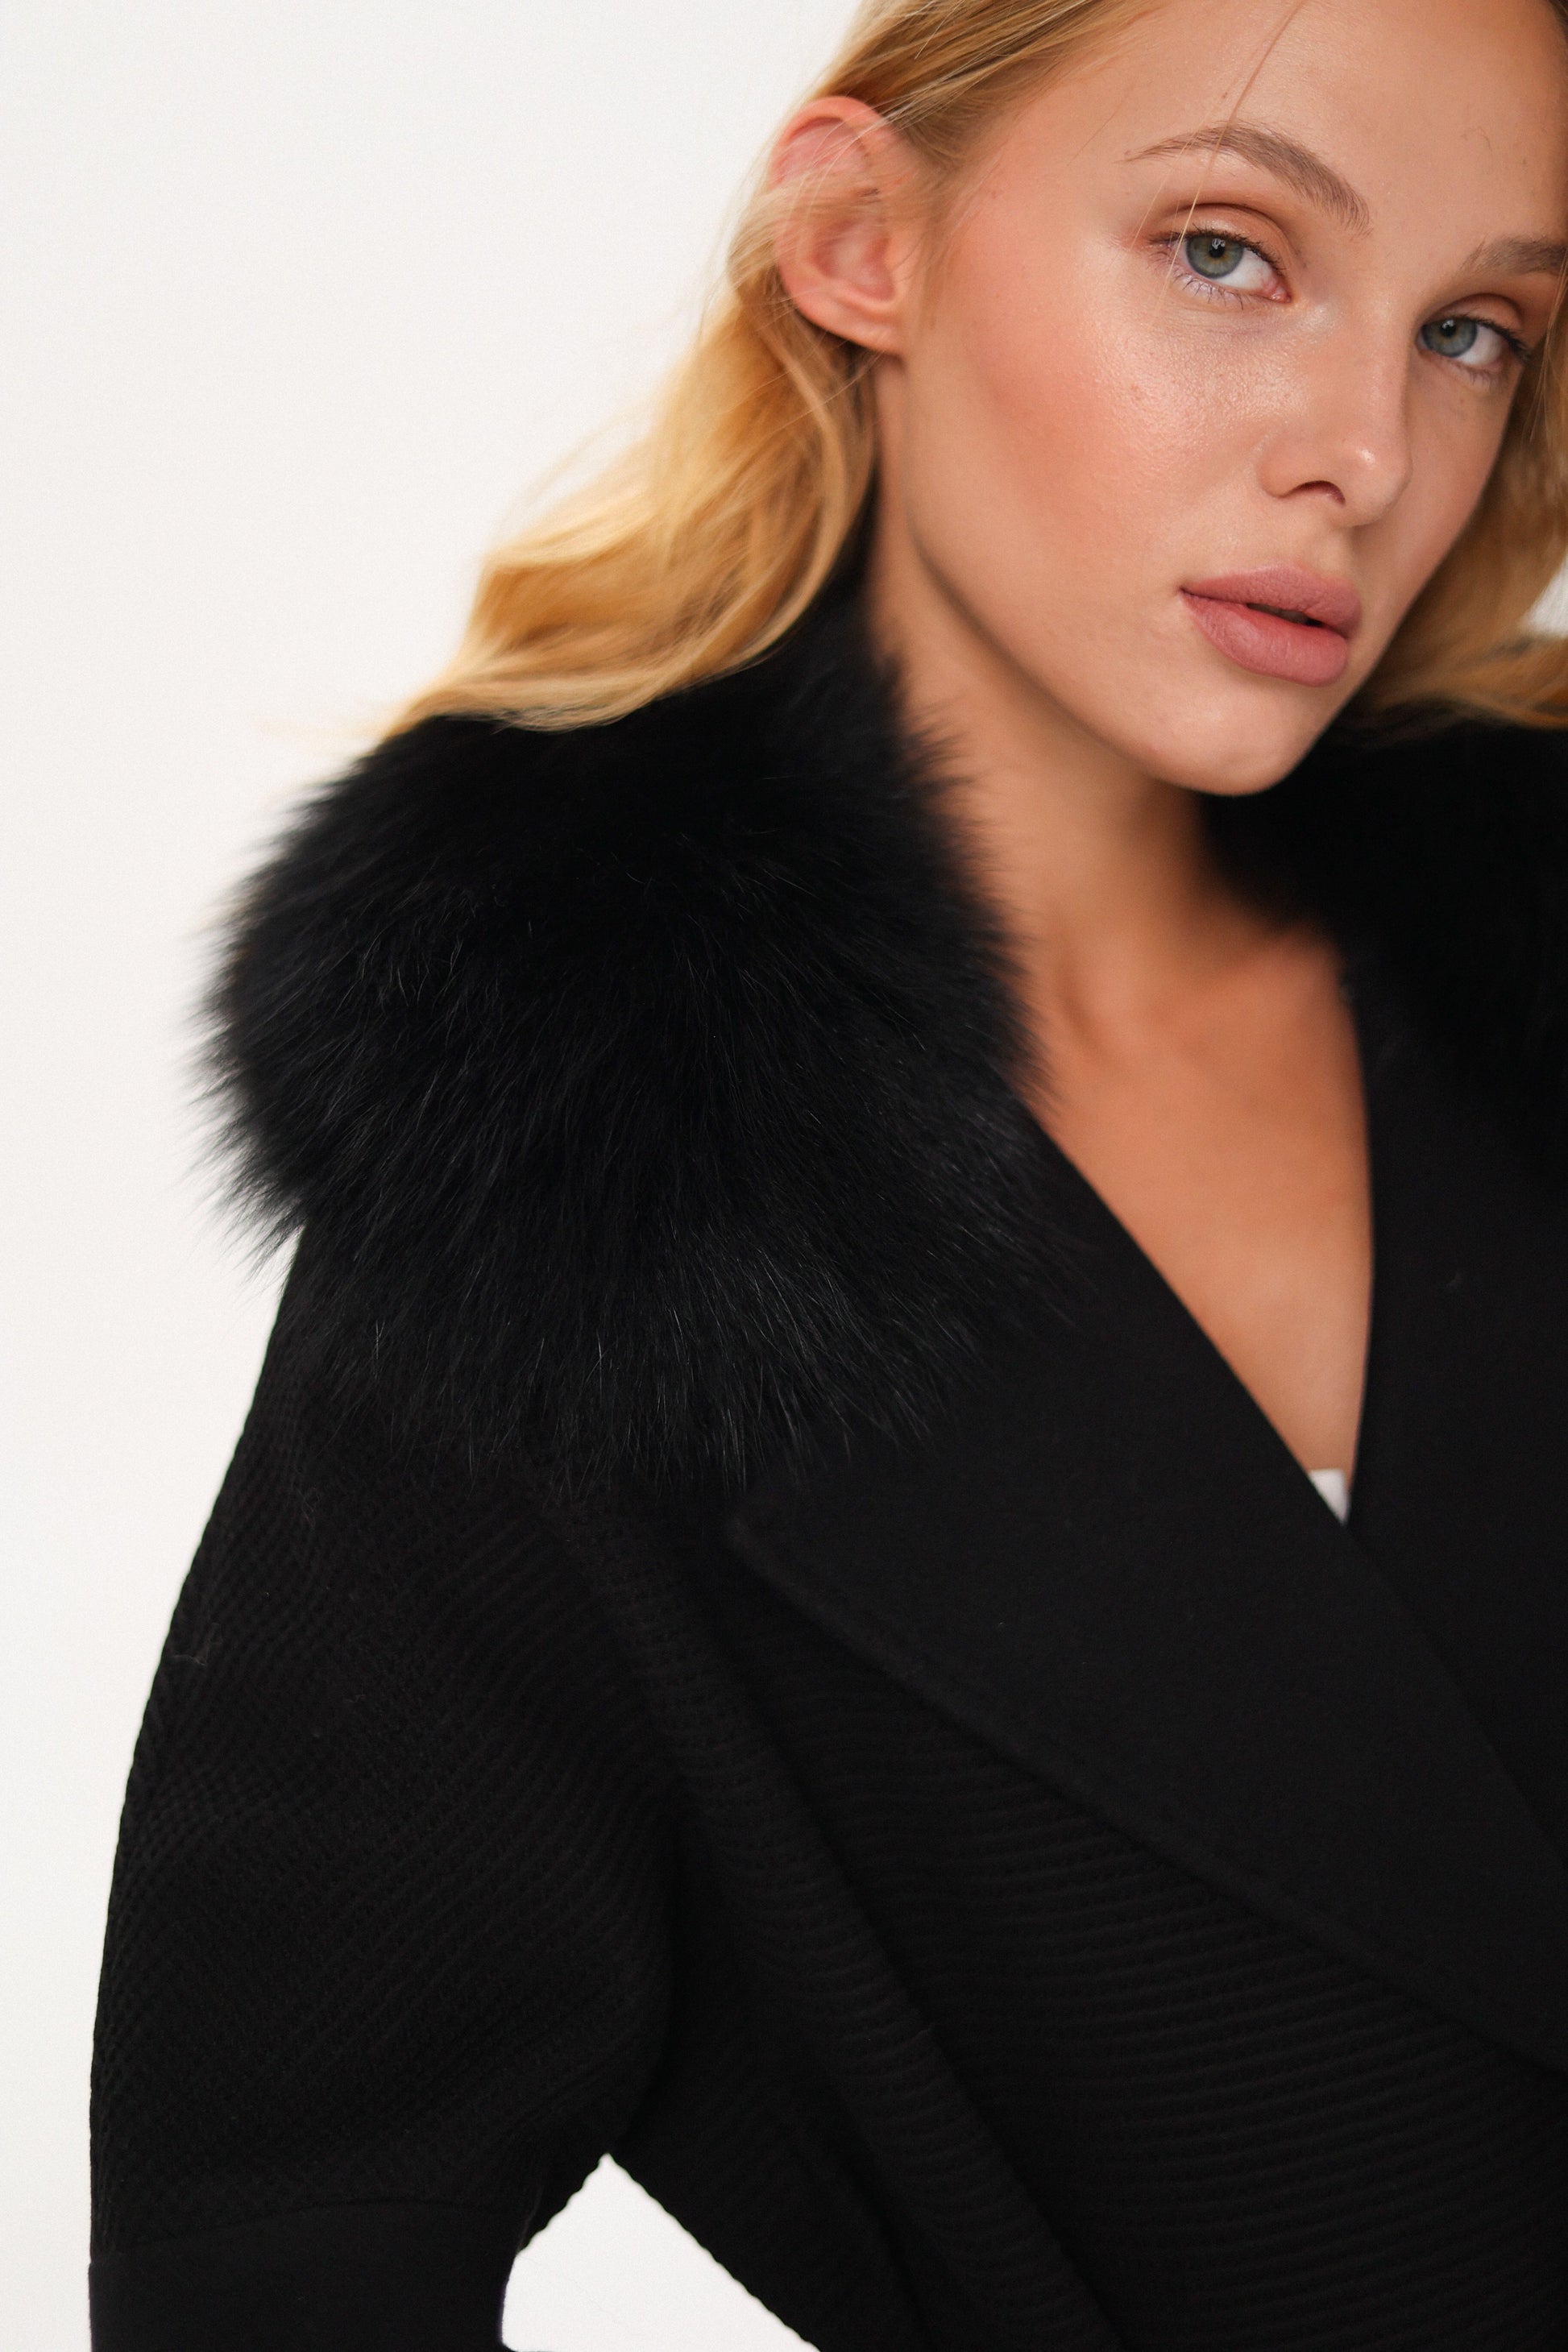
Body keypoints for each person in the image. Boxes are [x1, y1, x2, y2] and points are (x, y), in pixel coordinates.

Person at [89, 0, 1568, 2343]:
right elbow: (284, 2225)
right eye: (1225, 252)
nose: (1369, 454)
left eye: (1472, 329)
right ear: (862, 241)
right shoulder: (581, 1170)